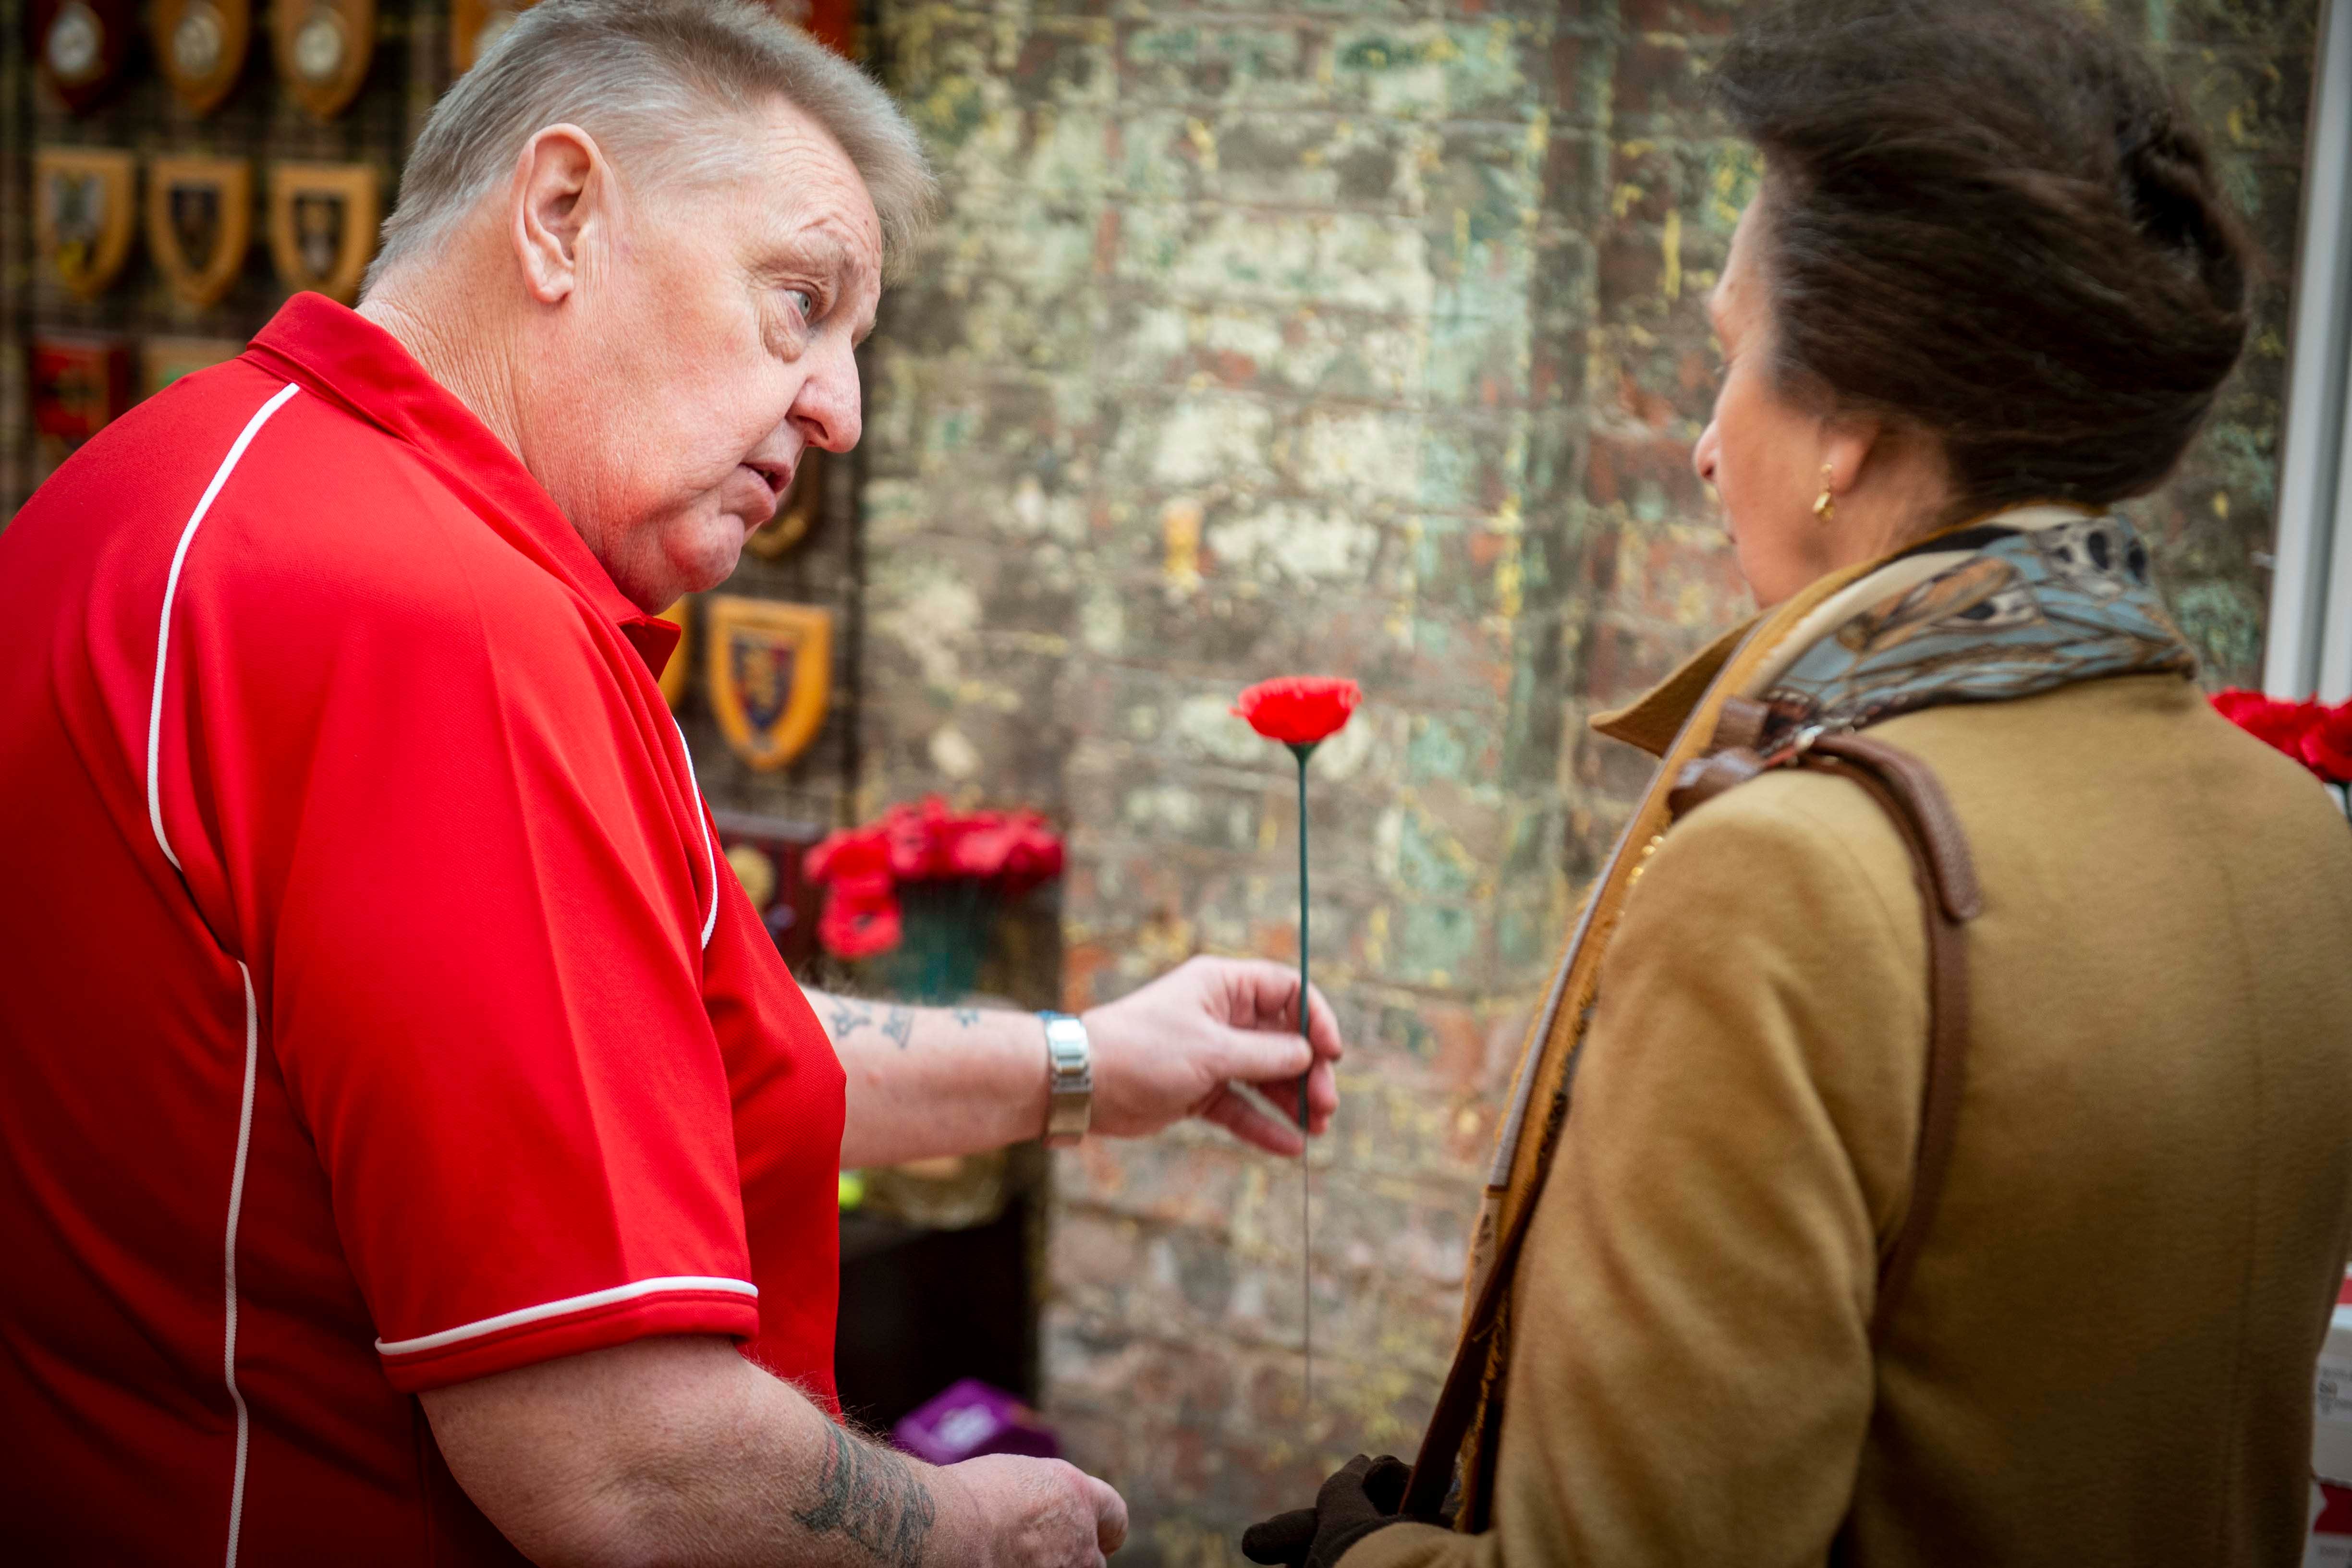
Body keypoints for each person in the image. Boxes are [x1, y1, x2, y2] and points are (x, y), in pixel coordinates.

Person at [0, 2, 1342, 1563]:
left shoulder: (168, 476)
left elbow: (656, 1053)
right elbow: (619, 1459)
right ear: (561, 217)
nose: (840, 408)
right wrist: (956, 1526)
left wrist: (1091, 1060)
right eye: (800, 302)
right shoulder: (439, 624)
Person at [1246, 0, 2352, 1564]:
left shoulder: (1795, 872)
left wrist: (1360, 1556)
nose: (1705, 441)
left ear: (1843, 422)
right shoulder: (2298, 832)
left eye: (1727, 356)